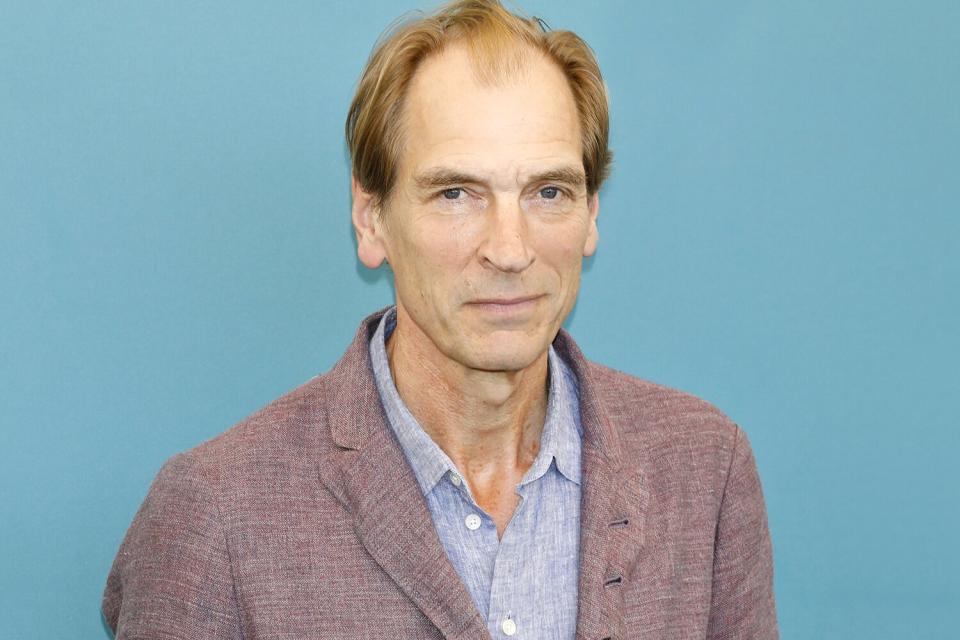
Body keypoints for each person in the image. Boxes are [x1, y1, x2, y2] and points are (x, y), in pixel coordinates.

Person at [102, 1, 778, 638]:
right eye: (456, 193)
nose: (510, 250)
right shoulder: (215, 514)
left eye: (548, 192)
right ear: (372, 220)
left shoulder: (705, 471)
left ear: (591, 215)